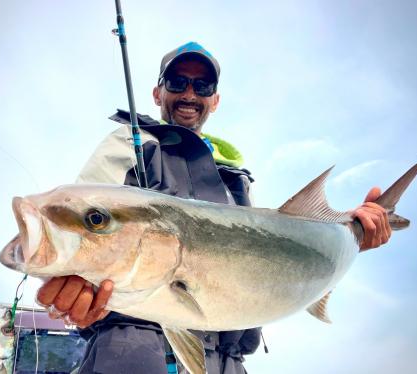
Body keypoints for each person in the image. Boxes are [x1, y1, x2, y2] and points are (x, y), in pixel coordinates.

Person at [36, 41, 392, 373]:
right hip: (133, 350)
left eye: (202, 86)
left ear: (215, 100)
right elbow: (85, 228)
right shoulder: (131, 144)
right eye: (177, 82)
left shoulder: (235, 178)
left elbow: (280, 247)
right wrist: (74, 292)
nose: (189, 93)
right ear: (158, 92)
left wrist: (355, 232)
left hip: (227, 359)